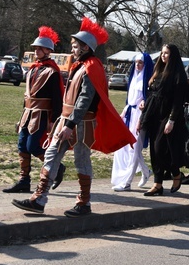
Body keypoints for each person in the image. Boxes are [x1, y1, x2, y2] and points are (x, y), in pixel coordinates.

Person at [12, 17, 135, 217]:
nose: (73, 50)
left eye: (76, 46)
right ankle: (38, 199)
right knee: (52, 155)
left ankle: (84, 203)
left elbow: (84, 100)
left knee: (82, 160)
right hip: (66, 121)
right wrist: (63, 121)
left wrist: (69, 124)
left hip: (82, 123)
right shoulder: (80, 65)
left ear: (86, 47)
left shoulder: (91, 67)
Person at [3, 27, 64, 194]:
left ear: (48, 50)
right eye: (35, 48)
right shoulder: (32, 69)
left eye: (39, 48)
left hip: (42, 115)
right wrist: (21, 115)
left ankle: (57, 168)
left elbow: (57, 99)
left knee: (33, 146)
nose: (36, 51)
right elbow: (27, 95)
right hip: (27, 114)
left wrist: (54, 121)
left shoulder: (52, 72)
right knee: (22, 146)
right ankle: (24, 181)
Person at [139, 44, 188, 196]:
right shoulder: (158, 70)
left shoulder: (178, 74)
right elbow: (152, 93)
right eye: (162, 53)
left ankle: (176, 173)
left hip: (167, 115)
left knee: (160, 148)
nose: (163, 55)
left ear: (173, 55)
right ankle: (158, 184)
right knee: (153, 150)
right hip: (153, 113)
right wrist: (144, 104)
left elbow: (178, 100)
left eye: (166, 53)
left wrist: (172, 120)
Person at [111, 52, 154, 191]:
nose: (138, 65)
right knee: (127, 146)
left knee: (135, 148)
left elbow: (148, 99)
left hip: (140, 116)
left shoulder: (148, 80)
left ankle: (127, 182)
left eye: (140, 62)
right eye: (136, 62)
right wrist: (123, 112)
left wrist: (141, 118)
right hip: (130, 113)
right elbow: (130, 99)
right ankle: (146, 171)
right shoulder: (134, 77)